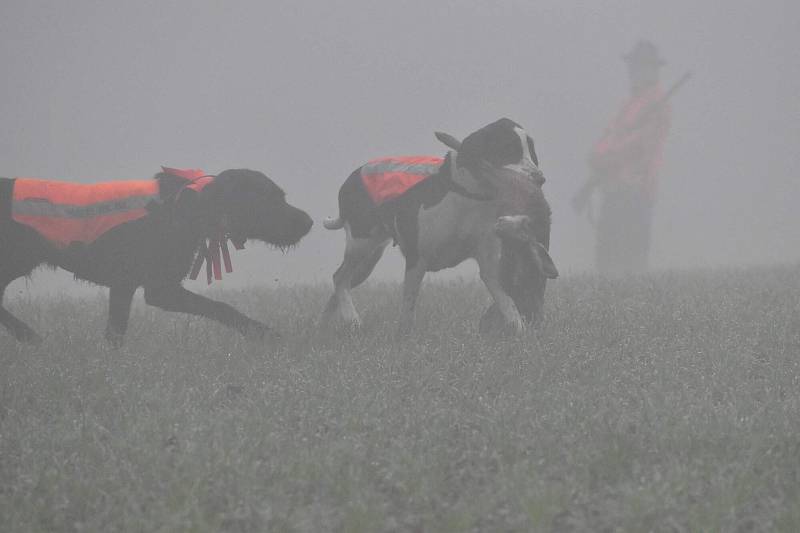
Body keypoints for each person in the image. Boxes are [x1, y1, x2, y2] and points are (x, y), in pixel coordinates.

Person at [577, 40, 672, 275]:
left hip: (637, 187)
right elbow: (611, 134)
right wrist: (597, 155)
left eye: (640, 66)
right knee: (607, 254)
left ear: (652, 69)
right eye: (634, 66)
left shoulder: (658, 102)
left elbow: (642, 143)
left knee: (631, 257)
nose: (634, 71)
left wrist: (606, 157)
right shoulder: (630, 102)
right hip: (614, 186)